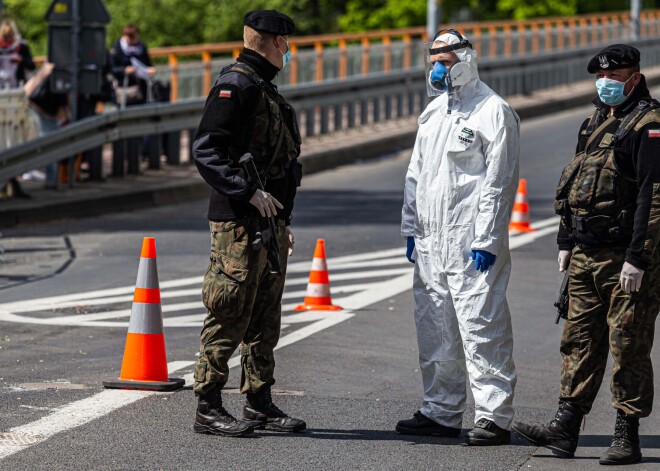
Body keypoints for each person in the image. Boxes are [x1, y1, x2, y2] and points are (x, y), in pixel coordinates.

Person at [512, 44, 660, 466]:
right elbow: (575, 186)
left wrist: (639, 257)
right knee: (578, 340)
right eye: (601, 77)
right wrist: (564, 241)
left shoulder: (649, 124)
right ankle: (565, 428)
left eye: (614, 78)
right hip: (585, 253)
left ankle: (626, 435)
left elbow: (654, 196)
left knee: (628, 343)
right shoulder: (593, 121)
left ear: (634, 78)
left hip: (625, 258)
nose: (606, 84)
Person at [398, 29, 520, 446]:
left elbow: (499, 183)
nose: (436, 69)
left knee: (480, 328)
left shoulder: (493, 111)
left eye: (445, 62)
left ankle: (494, 416)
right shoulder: (434, 114)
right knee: (435, 328)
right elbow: (416, 174)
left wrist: (487, 239)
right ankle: (441, 410)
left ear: (466, 60)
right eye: (432, 60)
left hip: (471, 243)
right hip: (432, 242)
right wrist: (411, 227)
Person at [191, 9, 304, 437]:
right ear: (273, 43)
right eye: (285, 43)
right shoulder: (234, 86)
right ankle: (208, 403)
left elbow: (283, 166)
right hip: (238, 221)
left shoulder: (265, 90)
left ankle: (259, 401)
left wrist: (283, 219)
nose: (287, 50)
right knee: (229, 308)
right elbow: (207, 150)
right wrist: (247, 191)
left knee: (263, 314)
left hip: (268, 220)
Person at [109, 24, 155, 106]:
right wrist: (125, 70)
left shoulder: (141, 47)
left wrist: (150, 69)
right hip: (124, 89)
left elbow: (147, 63)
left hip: (141, 89)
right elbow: (112, 68)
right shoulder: (117, 48)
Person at [0, 19, 35, 88]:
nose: (7, 42)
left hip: (19, 85)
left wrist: (22, 61)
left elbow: (32, 66)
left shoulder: (22, 47)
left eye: (9, 37)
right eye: (5, 38)